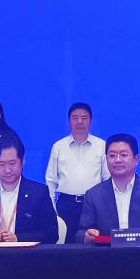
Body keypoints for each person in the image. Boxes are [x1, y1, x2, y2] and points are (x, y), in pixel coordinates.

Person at [76, 133, 140, 245]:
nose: (118, 160)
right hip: (107, 254)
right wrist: (87, 236)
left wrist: (133, 241)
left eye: (123, 155)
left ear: (136, 159)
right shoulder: (94, 195)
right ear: (106, 159)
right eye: (112, 156)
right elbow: (80, 234)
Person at [0, 136, 58, 244]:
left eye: (12, 163)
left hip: (27, 254)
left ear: (23, 161)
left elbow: (52, 234)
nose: (7, 170)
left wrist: (18, 238)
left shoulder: (39, 193)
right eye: (1, 164)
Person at [44, 102, 108, 242]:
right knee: (66, 245)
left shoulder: (102, 146)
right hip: (66, 205)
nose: (79, 122)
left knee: (92, 244)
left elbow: (107, 179)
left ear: (91, 121)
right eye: (75, 118)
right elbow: (51, 181)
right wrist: (53, 209)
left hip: (93, 204)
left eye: (84, 118)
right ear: (69, 121)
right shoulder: (58, 146)